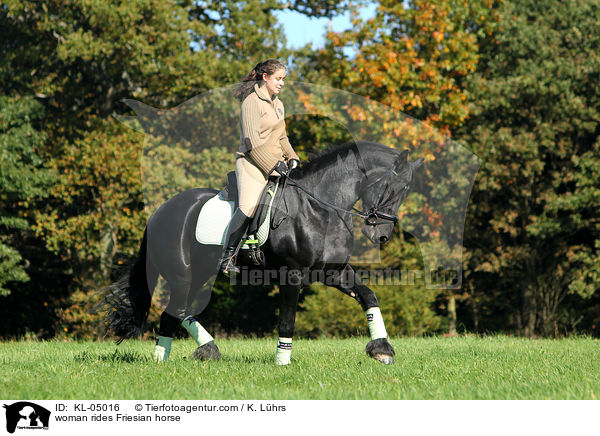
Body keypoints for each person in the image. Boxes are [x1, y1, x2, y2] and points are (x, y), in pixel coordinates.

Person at [218, 59, 300, 275]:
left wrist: (292, 157)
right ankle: (226, 258)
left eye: (284, 79)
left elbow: (282, 137)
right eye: (278, 79)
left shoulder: (278, 104)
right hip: (251, 163)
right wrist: (273, 165)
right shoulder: (251, 103)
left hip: (276, 164)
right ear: (265, 77)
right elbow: (251, 143)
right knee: (249, 206)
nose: (282, 83)